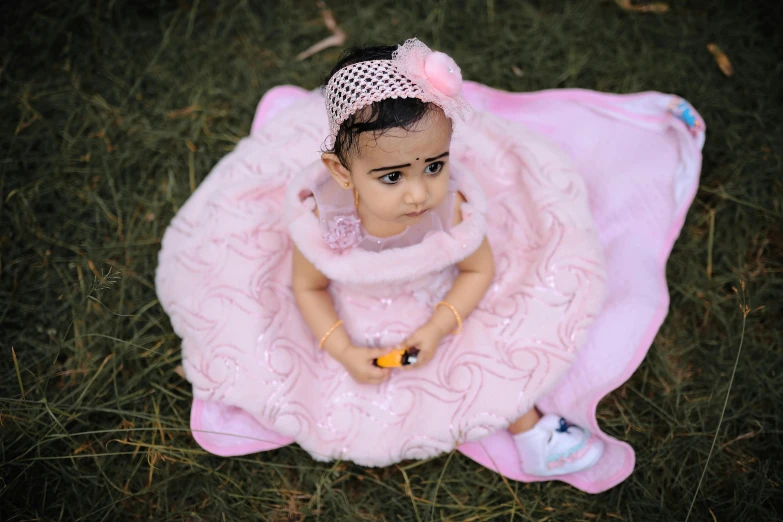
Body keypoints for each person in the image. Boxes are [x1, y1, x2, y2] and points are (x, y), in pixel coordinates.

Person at [289, 39, 604, 476]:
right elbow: (308, 286)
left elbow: (479, 269)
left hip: (433, 297)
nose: (419, 193)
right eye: (393, 176)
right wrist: (342, 349)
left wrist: (438, 327)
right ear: (343, 173)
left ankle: (530, 427)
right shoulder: (323, 216)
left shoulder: (449, 207)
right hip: (360, 303)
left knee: (487, 344)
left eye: (434, 166)